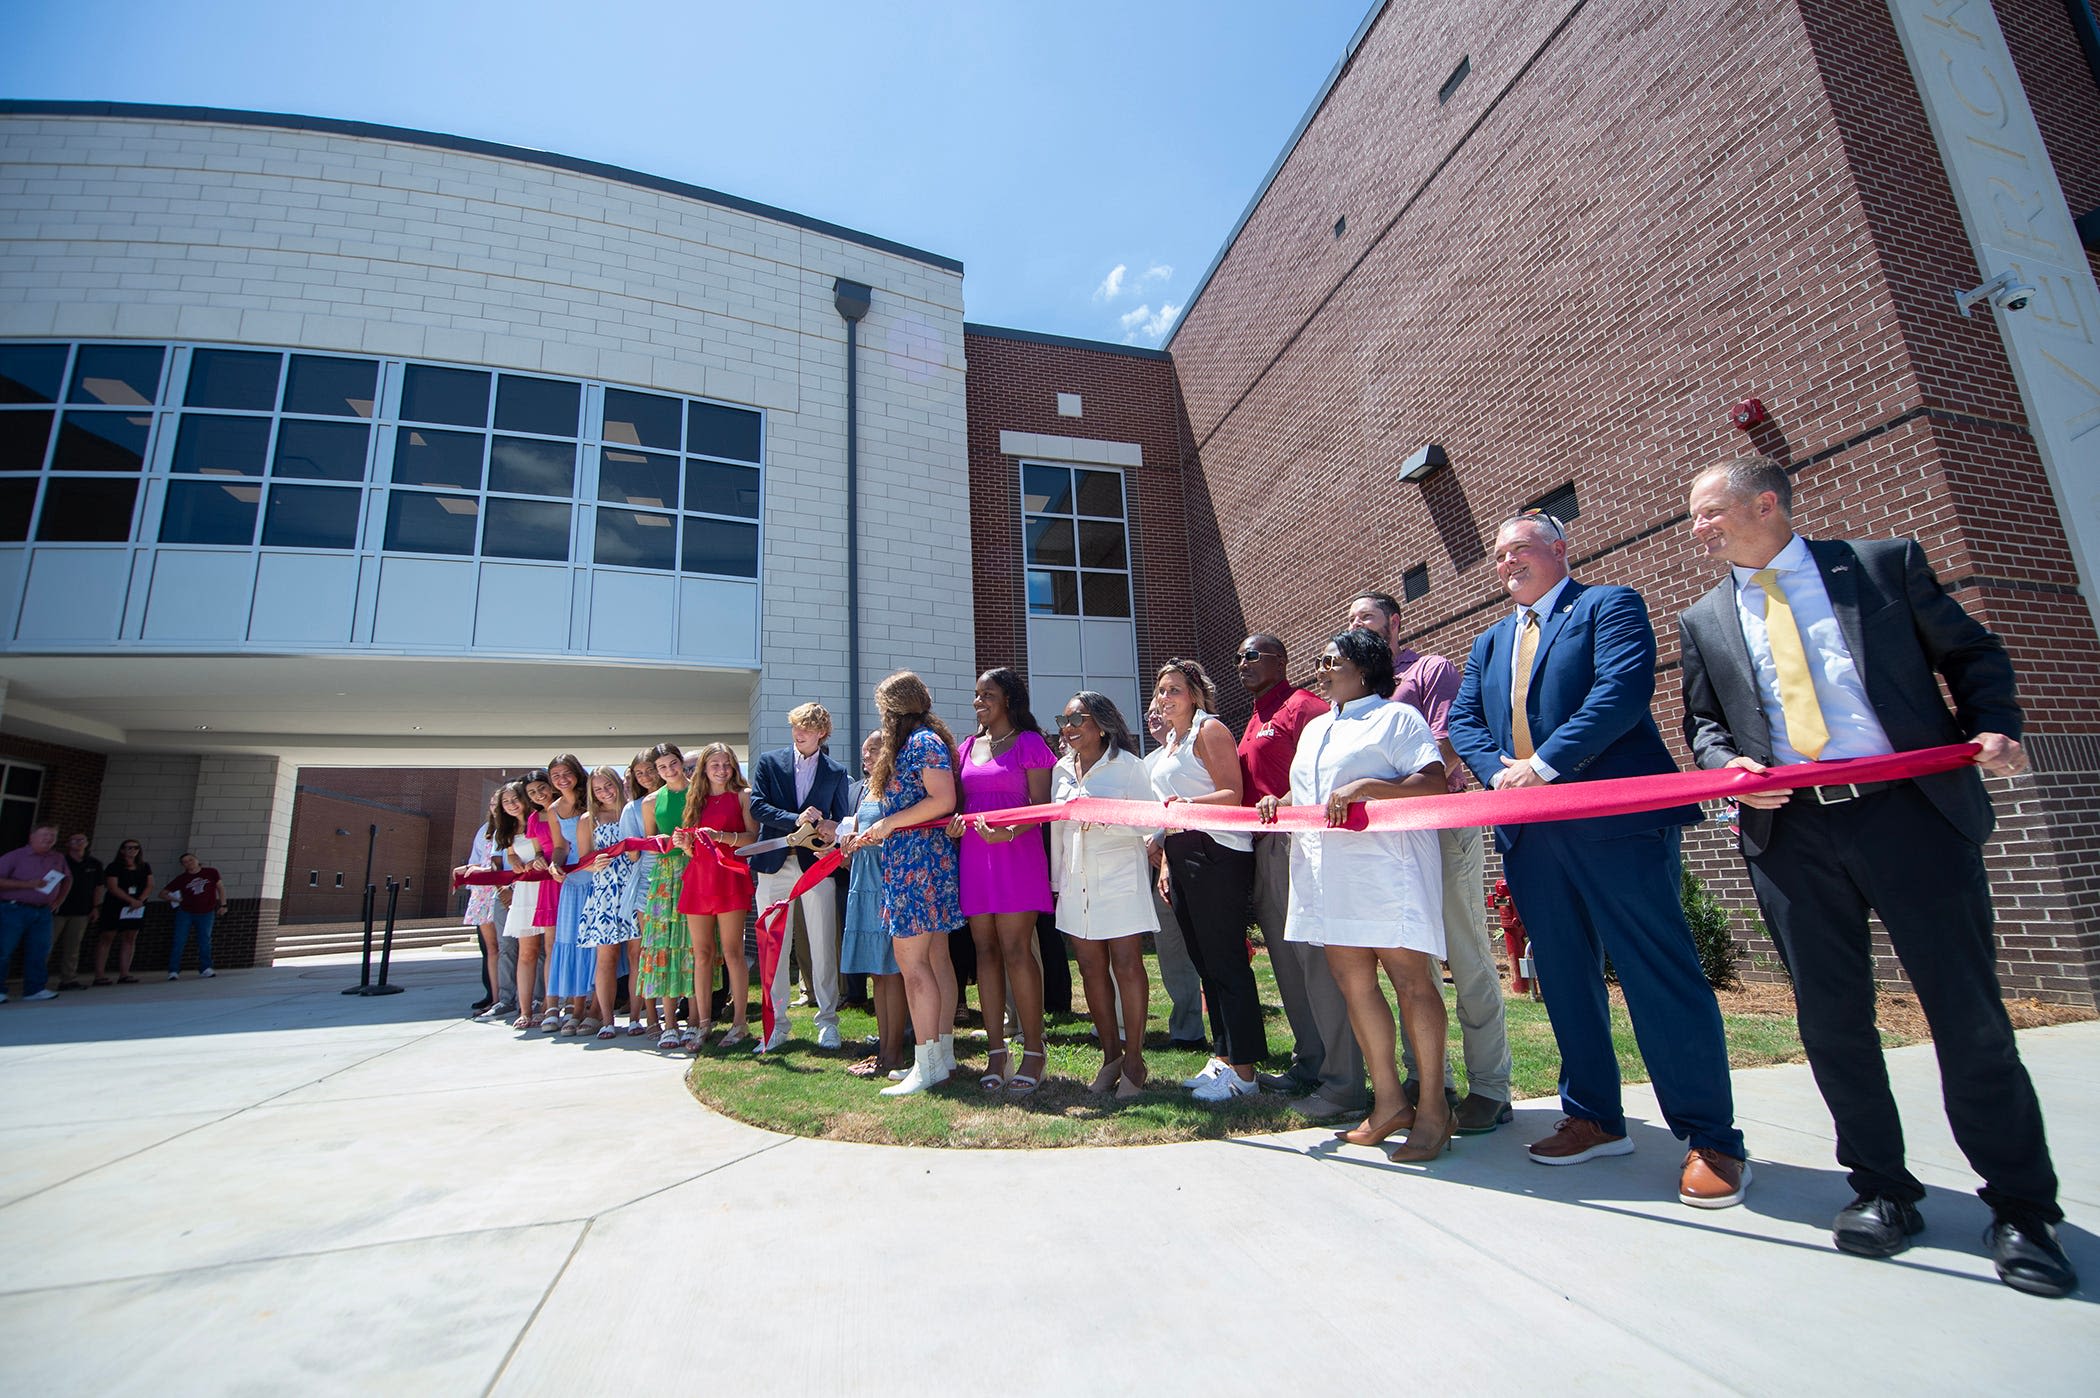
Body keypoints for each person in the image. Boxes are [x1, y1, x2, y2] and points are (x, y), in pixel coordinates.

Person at [1679, 456, 2073, 1294]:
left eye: (1710, 513)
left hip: (1910, 817)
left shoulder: (1879, 566)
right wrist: (1729, 760)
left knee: (1967, 1018)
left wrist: (1993, 725)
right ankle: (1882, 1190)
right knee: (1833, 1024)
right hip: (1792, 839)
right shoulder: (1705, 618)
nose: (1698, 530)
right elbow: (1703, 724)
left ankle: (2022, 1210)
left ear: (1765, 503)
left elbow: (1972, 654)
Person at [1448, 510, 1749, 1209]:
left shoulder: (1608, 605)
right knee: (1562, 976)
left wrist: (1544, 765)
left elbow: (1620, 692)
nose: (1507, 562)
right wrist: (1500, 771)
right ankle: (1593, 1116)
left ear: (1559, 548)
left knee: (1655, 971)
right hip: (1531, 833)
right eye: (1497, 555)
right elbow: (1465, 719)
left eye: (1519, 548)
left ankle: (1712, 1139)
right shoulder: (1491, 643)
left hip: (1613, 825)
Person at [1258, 630, 1452, 1160]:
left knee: (1412, 985)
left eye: (1331, 662)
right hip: (1328, 875)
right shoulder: (1319, 726)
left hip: (1387, 874)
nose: (1319, 670)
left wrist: (1368, 789)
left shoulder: (1396, 718)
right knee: (1354, 985)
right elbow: (1317, 790)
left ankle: (1434, 1109)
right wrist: (1282, 799)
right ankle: (1389, 1102)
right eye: (1319, 660)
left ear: (1364, 669)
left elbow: (1433, 783)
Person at [1347, 592, 1515, 1134]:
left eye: (1367, 618)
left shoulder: (1428, 671)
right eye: (1351, 621)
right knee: (1412, 963)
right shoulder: (1355, 690)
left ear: (1395, 623)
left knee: (1464, 954)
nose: (1358, 626)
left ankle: (1490, 1086)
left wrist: (1381, 787)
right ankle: (1429, 1080)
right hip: (1388, 844)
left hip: (1438, 829)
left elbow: (1444, 750)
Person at [1234, 632, 1358, 1121]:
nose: (1241, 662)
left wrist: (1285, 802)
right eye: (1237, 657)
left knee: (1314, 959)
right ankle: (1309, 1061)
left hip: (1299, 842)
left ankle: (1342, 1076)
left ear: (1280, 660)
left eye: (1251, 655)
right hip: (1264, 848)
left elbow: (1328, 770)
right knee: (1285, 959)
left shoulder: (1303, 706)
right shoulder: (1254, 718)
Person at [1146, 657, 1267, 1102]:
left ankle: (1246, 1075)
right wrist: (1164, 860)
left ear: (1195, 694)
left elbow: (1232, 794)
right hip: (1181, 853)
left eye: (1174, 690)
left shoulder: (1209, 730)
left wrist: (1186, 804)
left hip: (1217, 852)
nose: (1166, 698)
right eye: (1161, 691)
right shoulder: (1172, 742)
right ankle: (1223, 1057)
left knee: (1227, 963)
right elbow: (1168, 812)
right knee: (1205, 965)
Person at [845, 670, 962, 1097]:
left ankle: (928, 1062)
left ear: (893, 709)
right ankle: (940, 1056)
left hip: (919, 862)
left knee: (914, 966)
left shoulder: (920, 743)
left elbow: (943, 800)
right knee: (933, 960)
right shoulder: (924, 741)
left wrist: (890, 823)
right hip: (918, 858)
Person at [948, 668, 1058, 1095]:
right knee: (985, 951)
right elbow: (959, 805)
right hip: (975, 857)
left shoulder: (1030, 744)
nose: (978, 702)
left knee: (1016, 949)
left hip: (1017, 854)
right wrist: (955, 825)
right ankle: (997, 1051)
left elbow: (1041, 809)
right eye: (976, 695)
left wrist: (1008, 832)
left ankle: (1034, 1050)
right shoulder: (965, 749)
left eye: (987, 694)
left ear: (1008, 699)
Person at [1050, 691, 1157, 1100]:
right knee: (1090, 968)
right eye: (1064, 721)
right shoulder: (1061, 771)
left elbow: (1152, 823)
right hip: (1076, 879)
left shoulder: (1130, 767)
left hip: (1119, 875)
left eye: (1077, 720)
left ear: (1102, 723)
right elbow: (1057, 830)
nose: (1069, 728)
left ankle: (1134, 1061)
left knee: (1127, 965)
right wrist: (1057, 882)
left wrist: (1106, 819)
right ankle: (1111, 1056)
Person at [747, 703, 854, 1050]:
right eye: (795, 726)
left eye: (806, 728)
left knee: (824, 943)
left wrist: (832, 828)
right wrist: (796, 818)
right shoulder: (769, 762)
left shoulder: (836, 772)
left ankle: (828, 1022)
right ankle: (776, 1025)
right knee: (774, 945)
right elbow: (758, 807)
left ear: (821, 732)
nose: (799, 733)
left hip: (815, 866)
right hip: (774, 864)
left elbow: (840, 821)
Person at [675, 742, 758, 1048]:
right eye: (715, 766)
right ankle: (702, 1023)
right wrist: (684, 843)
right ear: (704, 770)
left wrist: (721, 837)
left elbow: (752, 837)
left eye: (727, 765)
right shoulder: (694, 800)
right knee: (702, 954)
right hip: (698, 880)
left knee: (734, 952)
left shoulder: (742, 796)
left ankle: (739, 1023)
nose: (722, 771)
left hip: (730, 879)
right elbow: (693, 848)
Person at [839, 730, 909, 1079]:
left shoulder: (898, 787)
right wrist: (851, 841)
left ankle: (894, 1052)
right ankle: (883, 1049)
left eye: (874, 750)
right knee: (877, 975)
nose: (866, 757)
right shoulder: (868, 790)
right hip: (863, 882)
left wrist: (870, 841)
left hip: (887, 884)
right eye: (864, 751)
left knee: (891, 971)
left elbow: (901, 833)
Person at [1144, 702, 1206, 1047]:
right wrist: (1148, 843)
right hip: (1157, 865)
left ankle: (1228, 1032)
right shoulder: (1148, 764)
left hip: (1196, 857)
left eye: (1161, 708)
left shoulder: (1194, 745)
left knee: (1206, 946)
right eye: (1150, 710)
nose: (1154, 714)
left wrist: (1159, 839)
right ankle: (1187, 1029)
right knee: (1170, 949)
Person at [640, 743, 697, 1050]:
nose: (669, 771)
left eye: (672, 764)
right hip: (664, 876)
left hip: (693, 868)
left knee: (692, 944)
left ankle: (696, 1020)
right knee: (664, 945)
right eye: (661, 767)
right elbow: (649, 840)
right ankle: (670, 1024)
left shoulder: (698, 792)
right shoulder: (650, 801)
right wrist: (658, 840)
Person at [575, 766, 637, 1041]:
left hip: (633, 887)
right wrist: (592, 864)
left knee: (638, 956)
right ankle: (607, 1020)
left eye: (608, 785)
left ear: (617, 784)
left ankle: (636, 1017)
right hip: (605, 892)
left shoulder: (633, 810)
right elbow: (583, 860)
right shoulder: (588, 819)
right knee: (606, 958)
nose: (604, 792)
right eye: (598, 789)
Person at [540, 758, 594, 1034]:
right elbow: (560, 846)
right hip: (572, 881)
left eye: (566, 773)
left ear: (576, 774)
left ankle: (586, 1009)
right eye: (555, 775)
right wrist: (554, 863)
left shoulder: (593, 799)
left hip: (597, 876)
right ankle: (568, 1007)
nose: (561, 779)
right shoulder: (553, 809)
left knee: (594, 945)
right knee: (570, 942)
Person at [617, 751, 663, 1037]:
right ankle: (650, 1015)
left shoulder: (679, 798)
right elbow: (631, 854)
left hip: (679, 875)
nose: (645, 776)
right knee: (648, 950)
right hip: (647, 879)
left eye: (650, 770)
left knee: (678, 948)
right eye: (639, 773)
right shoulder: (631, 809)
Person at [497, 781, 548, 1031]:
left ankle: (548, 1006)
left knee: (549, 950)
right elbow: (511, 854)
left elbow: (542, 853)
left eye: (515, 799)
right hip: (525, 891)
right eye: (506, 802)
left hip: (546, 886)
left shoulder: (537, 820)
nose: (512, 805)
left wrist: (537, 860)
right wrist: (516, 859)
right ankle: (525, 1009)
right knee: (526, 952)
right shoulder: (506, 828)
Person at [0, 823, 71, 1002]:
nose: (48, 839)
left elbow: (67, 879)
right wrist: (27, 884)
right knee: (4, 950)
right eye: (44, 835)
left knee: (40, 950)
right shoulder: (15, 856)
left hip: (43, 912)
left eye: (52, 836)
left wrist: (59, 900)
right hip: (13, 909)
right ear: (32, 837)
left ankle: (34, 989)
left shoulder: (57, 858)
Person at [457, 791, 504, 1014]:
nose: (496, 807)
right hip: (482, 894)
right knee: (489, 949)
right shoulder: (483, 831)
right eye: (493, 803)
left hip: (502, 891)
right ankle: (492, 995)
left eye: (501, 802)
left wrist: (478, 870)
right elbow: (475, 861)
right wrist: (468, 870)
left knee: (507, 948)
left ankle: (507, 994)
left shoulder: (511, 830)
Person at [92, 838, 152, 985]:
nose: (132, 850)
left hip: (136, 908)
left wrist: (140, 900)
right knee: (107, 938)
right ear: (122, 850)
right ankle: (99, 976)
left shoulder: (144, 867)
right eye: (128, 847)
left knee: (130, 939)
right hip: (116, 905)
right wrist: (130, 900)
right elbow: (112, 887)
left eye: (135, 848)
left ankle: (124, 973)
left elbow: (150, 885)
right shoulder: (114, 867)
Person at [52, 832, 102, 992]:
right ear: (68, 844)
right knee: (45, 944)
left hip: (81, 911)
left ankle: (68, 979)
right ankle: (35, 980)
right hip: (57, 910)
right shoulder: (60, 862)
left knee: (73, 947)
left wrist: (95, 907)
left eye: (82, 840)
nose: (79, 843)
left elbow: (98, 886)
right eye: (75, 840)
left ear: (87, 843)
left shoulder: (94, 864)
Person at [161, 852, 222, 980]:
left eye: (191, 860)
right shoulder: (182, 879)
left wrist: (223, 904)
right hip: (186, 912)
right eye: (185, 862)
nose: (189, 863)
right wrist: (177, 900)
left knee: (204, 939)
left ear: (197, 860)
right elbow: (163, 893)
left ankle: (206, 967)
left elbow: (220, 888)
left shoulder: (211, 872)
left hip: (206, 911)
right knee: (179, 940)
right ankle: (173, 970)